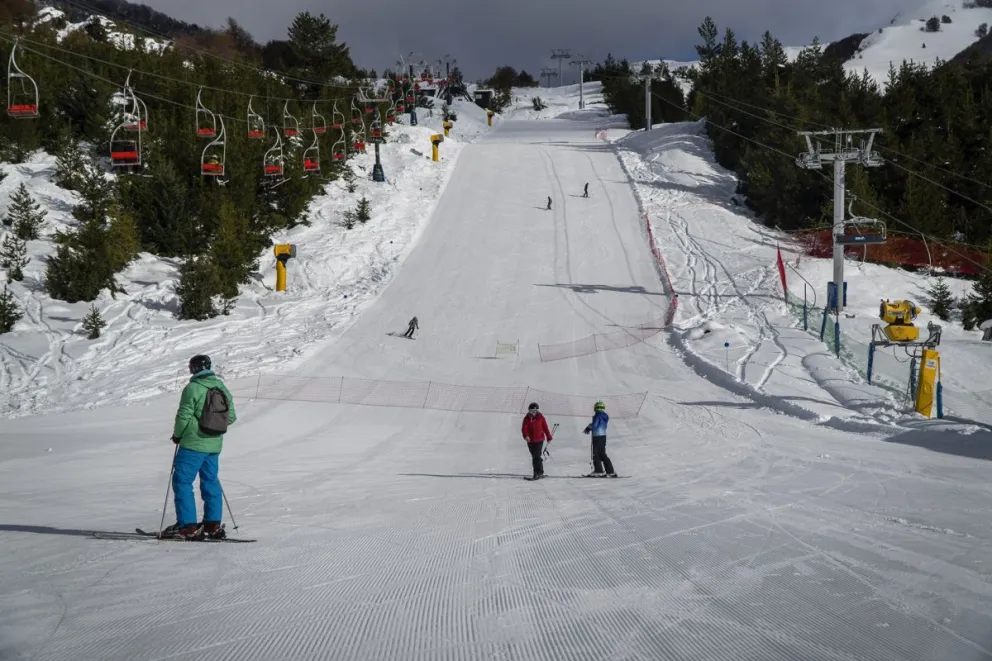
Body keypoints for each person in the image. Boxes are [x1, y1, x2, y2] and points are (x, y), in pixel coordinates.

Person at [164, 354, 237, 539]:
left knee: (182, 481)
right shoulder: (221, 387)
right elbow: (231, 417)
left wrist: (178, 435)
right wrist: (213, 427)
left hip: (193, 444)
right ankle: (212, 525)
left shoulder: (193, 388)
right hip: (214, 445)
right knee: (210, 481)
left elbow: (184, 415)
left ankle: (187, 526)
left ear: (194, 368)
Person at [583, 400, 616, 477]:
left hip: (597, 436)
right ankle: (610, 471)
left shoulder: (597, 416)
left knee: (596, 453)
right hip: (603, 436)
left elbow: (595, 424)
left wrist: (589, 427)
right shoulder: (604, 416)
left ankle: (598, 470)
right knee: (602, 453)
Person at [521, 402, 553, 479]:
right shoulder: (526, 419)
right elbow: (524, 429)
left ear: (537, 411)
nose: (533, 413)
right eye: (531, 411)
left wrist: (549, 437)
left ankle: (537, 473)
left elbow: (545, 428)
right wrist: (526, 436)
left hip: (539, 440)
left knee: (536, 456)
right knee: (535, 456)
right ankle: (540, 472)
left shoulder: (541, 417)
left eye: (534, 411)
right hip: (530, 441)